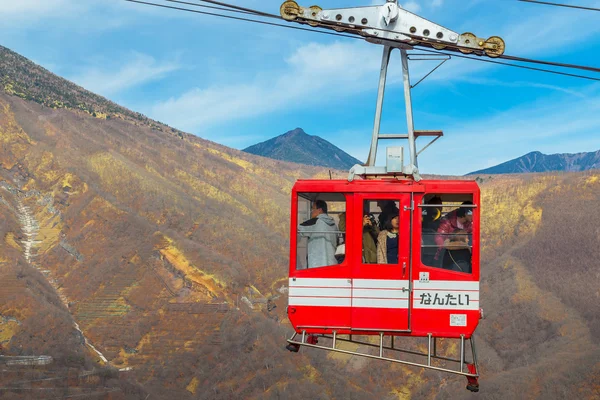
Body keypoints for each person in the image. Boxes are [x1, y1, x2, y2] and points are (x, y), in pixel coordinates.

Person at [434, 201, 474, 272]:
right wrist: (447, 248)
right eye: (472, 213)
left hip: (462, 256)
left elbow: (473, 239)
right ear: (466, 213)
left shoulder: (469, 224)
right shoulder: (447, 221)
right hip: (447, 255)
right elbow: (439, 238)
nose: (474, 216)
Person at [298, 200, 338, 268]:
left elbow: (297, 228)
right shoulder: (333, 225)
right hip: (332, 263)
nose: (311, 212)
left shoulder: (315, 222)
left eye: (313, 209)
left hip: (317, 264)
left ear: (319, 210)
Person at [421, 196, 443, 266]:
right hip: (429, 242)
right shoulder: (433, 213)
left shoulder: (425, 212)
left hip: (430, 244)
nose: (441, 207)